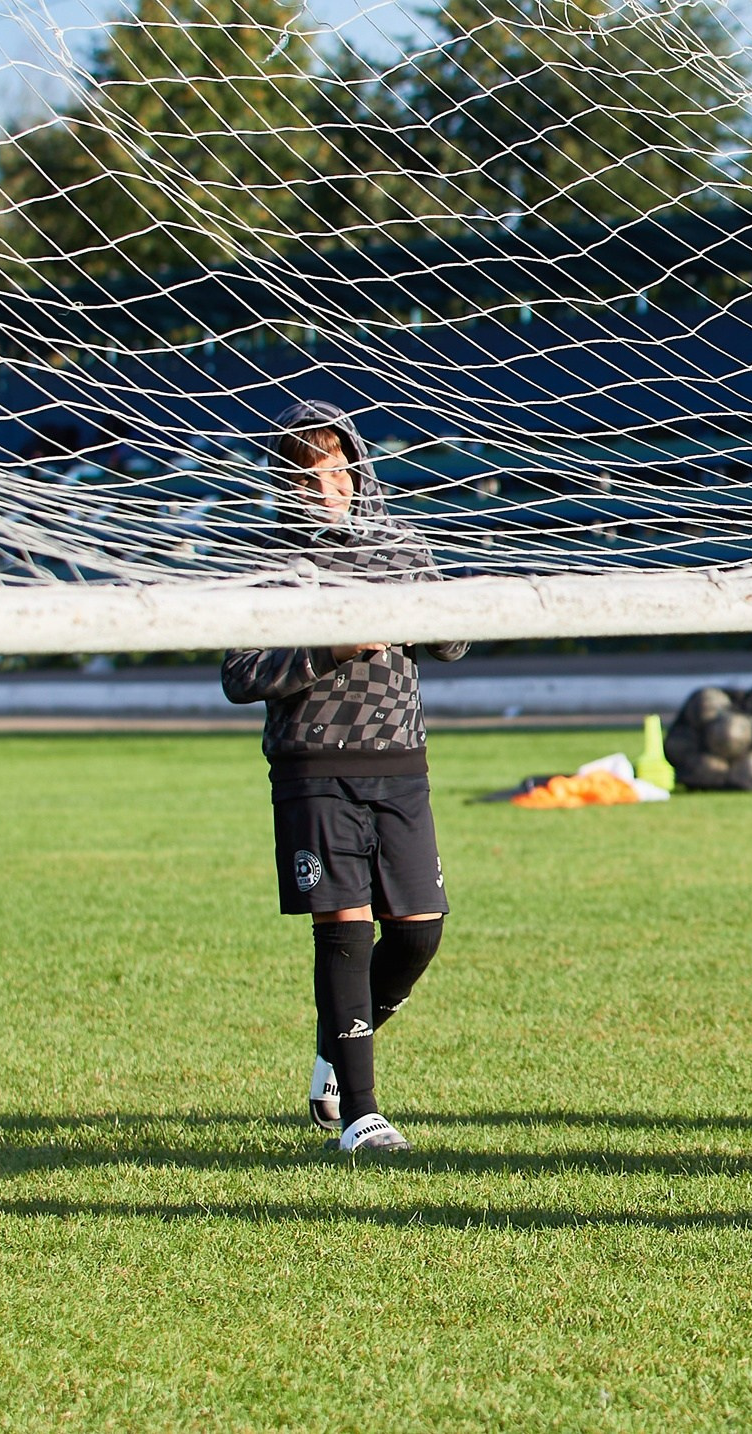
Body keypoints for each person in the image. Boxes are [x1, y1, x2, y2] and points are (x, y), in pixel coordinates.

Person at [221, 402, 467, 1156]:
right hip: (313, 766)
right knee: (346, 929)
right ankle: (360, 1116)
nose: (323, 486)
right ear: (284, 482)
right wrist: (330, 648)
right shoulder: (269, 560)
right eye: (306, 473)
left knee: (420, 933)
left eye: (335, 470)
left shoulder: (401, 545)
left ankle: (337, 1046)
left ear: (358, 473)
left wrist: (419, 617)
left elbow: (455, 641)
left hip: (402, 764)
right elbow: (238, 674)